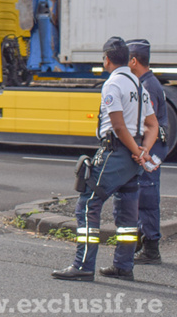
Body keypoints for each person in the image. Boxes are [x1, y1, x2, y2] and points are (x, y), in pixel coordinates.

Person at [51, 36, 157, 282]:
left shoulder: (113, 84)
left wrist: (134, 149)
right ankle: (123, 265)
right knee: (128, 213)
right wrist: (143, 151)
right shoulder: (139, 86)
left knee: (87, 204)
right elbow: (151, 125)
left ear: (107, 59)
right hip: (133, 160)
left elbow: (119, 127)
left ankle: (83, 265)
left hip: (116, 153)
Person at [127, 39, 166, 264]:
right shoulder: (146, 83)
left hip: (150, 151)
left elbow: (148, 124)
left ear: (134, 61)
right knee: (143, 196)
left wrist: (142, 152)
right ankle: (143, 242)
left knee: (148, 197)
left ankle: (152, 250)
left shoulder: (147, 87)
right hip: (149, 150)